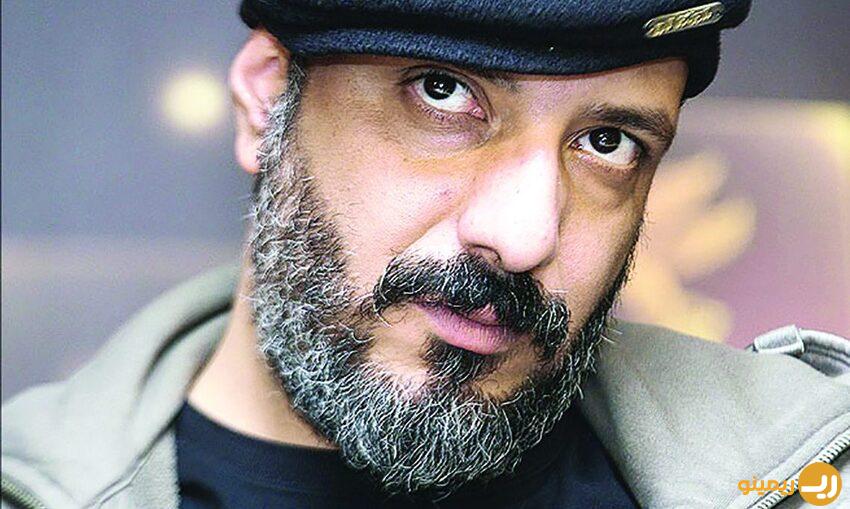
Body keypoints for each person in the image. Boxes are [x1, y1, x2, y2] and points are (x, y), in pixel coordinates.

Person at [3, 1, 849, 508]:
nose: (524, 235)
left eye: (606, 141)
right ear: (268, 100)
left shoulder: (811, 472)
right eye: (443, 93)